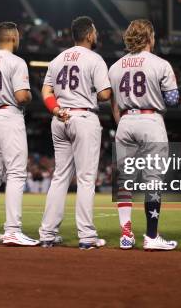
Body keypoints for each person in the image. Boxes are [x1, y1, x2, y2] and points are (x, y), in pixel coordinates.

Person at [38, 16, 112, 250]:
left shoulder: (57, 59)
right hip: (83, 117)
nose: (96, 35)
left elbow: (46, 91)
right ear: (89, 35)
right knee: (86, 179)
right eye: (95, 32)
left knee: (60, 177)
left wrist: (56, 110)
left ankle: (47, 234)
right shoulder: (94, 58)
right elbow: (105, 95)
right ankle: (87, 236)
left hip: (60, 118)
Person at [108, 19, 179, 251]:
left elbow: (114, 104)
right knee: (153, 180)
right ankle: (151, 236)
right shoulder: (160, 64)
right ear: (150, 37)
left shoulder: (115, 66)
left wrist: (124, 121)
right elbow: (172, 100)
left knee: (124, 182)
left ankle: (126, 235)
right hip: (151, 119)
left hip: (126, 121)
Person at [0, 22, 38, 246]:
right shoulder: (16, 62)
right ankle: (12, 230)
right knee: (16, 174)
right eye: (18, 34)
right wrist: (30, 96)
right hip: (8, 116)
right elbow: (21, 96)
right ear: (12, 36)